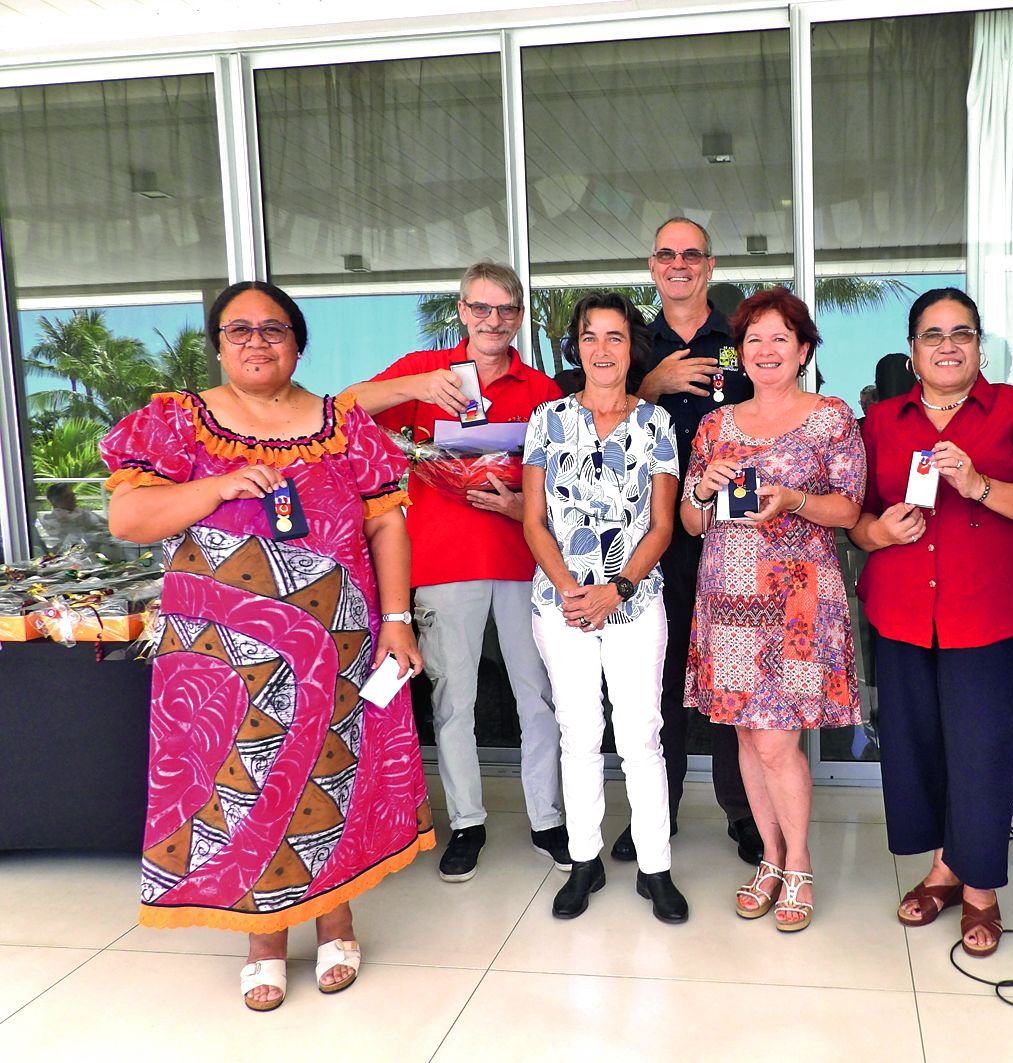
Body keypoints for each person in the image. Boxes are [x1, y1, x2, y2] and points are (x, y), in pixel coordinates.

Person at [101, 280, 433, 1012]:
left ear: (298, 340)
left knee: (332, 774)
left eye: (273, 328)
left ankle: (337, 915)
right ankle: (263, 936)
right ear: (217, 343)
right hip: (222, 661)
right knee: (242, 782)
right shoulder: (178, 422)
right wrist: (213, 488)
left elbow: (386, 525)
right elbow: (129, 517)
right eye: (239, 329)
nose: (257, 341)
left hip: (339, 646)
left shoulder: (343, 424)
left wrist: (399, 618)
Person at [848, 288, 1013, 956]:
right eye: (931, 334)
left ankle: (979, 889)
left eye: (961, 333)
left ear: (979, 345)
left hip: (989, 607)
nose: (947, 345)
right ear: (912, 351)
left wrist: (979, 486)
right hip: (901, 608)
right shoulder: (881, 421)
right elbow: (855, 516)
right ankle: (942, 867)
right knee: (917, 742)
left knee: (982, 747)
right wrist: (876, 529)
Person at [349, 261, 570, 882]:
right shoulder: (426, 373)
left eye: (504, 310)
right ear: (463, 311)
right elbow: (342, 411)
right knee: (455, 702)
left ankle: (546, 818)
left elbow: (564, 483)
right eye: (480, 309)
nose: (492, 321)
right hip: (444, 562)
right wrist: (417, 388)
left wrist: (523, 504)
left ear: (519, 316)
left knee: (538, 697)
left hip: (527, 562)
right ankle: (467, 823)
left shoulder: (542, 390)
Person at [681, 287, 865, 932]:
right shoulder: (715, 424)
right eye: (753, 340)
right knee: (745, 735)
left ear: (804, 350)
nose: (765, 351)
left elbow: (848, 510)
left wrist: (791, 498)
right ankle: (769, 856)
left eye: (779, 339)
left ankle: (800, 861)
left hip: (799, 597)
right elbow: (689, 522)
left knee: (778, 739)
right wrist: (701, 490)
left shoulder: (832, 418)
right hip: (728, 595)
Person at [522, 292, 688, 924]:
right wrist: (571, 590)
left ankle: (655, 867)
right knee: (580, 733)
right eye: (590, 337)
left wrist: (615, 588)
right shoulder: (547, 421)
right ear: (577, 346)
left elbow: (663, 526)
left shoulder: (658, 425)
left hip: (635, 601)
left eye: (615, 337)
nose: (602, 350)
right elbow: (534, 521)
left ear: (632, 348)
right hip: (561, 604)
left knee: (641, 736)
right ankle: (585, 859)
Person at [624, 216, 761, 867]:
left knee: (735, 676)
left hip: (731, 530)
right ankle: (659, 812)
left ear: (708, 265)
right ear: (653, 266)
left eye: (692, 255)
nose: (679, 264)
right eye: (667, 255)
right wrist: (649, 389)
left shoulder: (739, 340)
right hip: (650, 535)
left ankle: (746, 812)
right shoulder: (629, 343)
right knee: (658, 676)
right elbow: (591, 426)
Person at [35, 482, 115, 554]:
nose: (73, 498)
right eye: (67, 497)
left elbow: (108, 525)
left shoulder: (83, 512)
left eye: (73, 495)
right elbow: (67, 541)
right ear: (55, 501)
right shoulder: (52, 520)